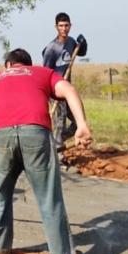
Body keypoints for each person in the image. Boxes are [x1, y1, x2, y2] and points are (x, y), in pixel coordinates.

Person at [0, 48, 92, 254]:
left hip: (1, 136)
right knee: (48, 196)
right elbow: (69, 90)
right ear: (28, 65)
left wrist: (9, 143)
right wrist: (81, 125)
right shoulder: (42, 73)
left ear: (8, 66)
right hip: (36, 134)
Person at [41, 12, 88, 161]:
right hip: (56, 91)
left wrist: (82, 45)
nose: (64, 28)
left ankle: (55, 143)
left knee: (78, 121)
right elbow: (46, 72)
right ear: (56, 27)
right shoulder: (51, 48)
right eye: (61, 26)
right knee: (59, 123)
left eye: (66, 25)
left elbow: (80, 52)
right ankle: (58, 156)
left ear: (70, 26)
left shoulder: (71, 42)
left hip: (68, 90)